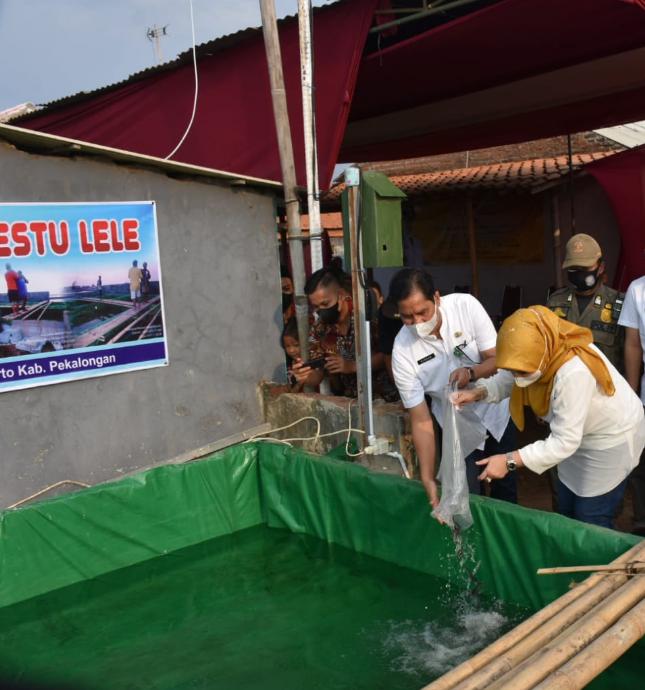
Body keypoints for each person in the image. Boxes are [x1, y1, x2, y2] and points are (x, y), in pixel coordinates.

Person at [453, 306, 645, 529]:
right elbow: (511, 375)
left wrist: (509, 460)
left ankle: (594, 563)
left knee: (591, 517)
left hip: (610, 440)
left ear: (542, 353)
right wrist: (478, 392)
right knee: (566, 507)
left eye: (523, 372)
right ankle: (570, 559)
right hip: (575, 437)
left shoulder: (573, 372)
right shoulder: (538, 350)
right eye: (514, 369)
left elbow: (564, 442)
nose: (518, 377)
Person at [389, 268, 517, 508]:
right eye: (407, 317)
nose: (417, 322)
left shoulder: (465, 307)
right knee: (468, 496)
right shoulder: (402, 351)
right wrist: (427, 477)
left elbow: (498, 357)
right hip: (457, 426)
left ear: (436, 298)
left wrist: (471, 373)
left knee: (506, 491)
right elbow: (421, 420)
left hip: (496, 411)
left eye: (422, 312)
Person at [292, 266, 385, 397]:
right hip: (348, 403)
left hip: (383, 399)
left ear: (341, 295)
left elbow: (387, 355)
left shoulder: (367, 315)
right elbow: (317, 373)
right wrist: (305, 375)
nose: (320, 311)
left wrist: (352, 366)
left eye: (325, 304)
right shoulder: (320, 328)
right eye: (317, 306)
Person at [547, 233, 624, 371]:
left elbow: (631, 352)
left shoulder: (618, 304)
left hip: (604, 388)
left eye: (585, 269)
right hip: (565, 386)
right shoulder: (555, 301)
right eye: (574, 269)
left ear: (600, 268)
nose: (579, 274)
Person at [618, 275, 645, 534]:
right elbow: (633, 344)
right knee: (641, 463)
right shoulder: (637, 290)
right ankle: (642, 524)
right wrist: (633, 396)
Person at [281, 317, 304, 392]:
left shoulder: (312, 361)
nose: (291, 350)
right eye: (287, 346)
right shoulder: (288, 365)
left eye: (296, 345)